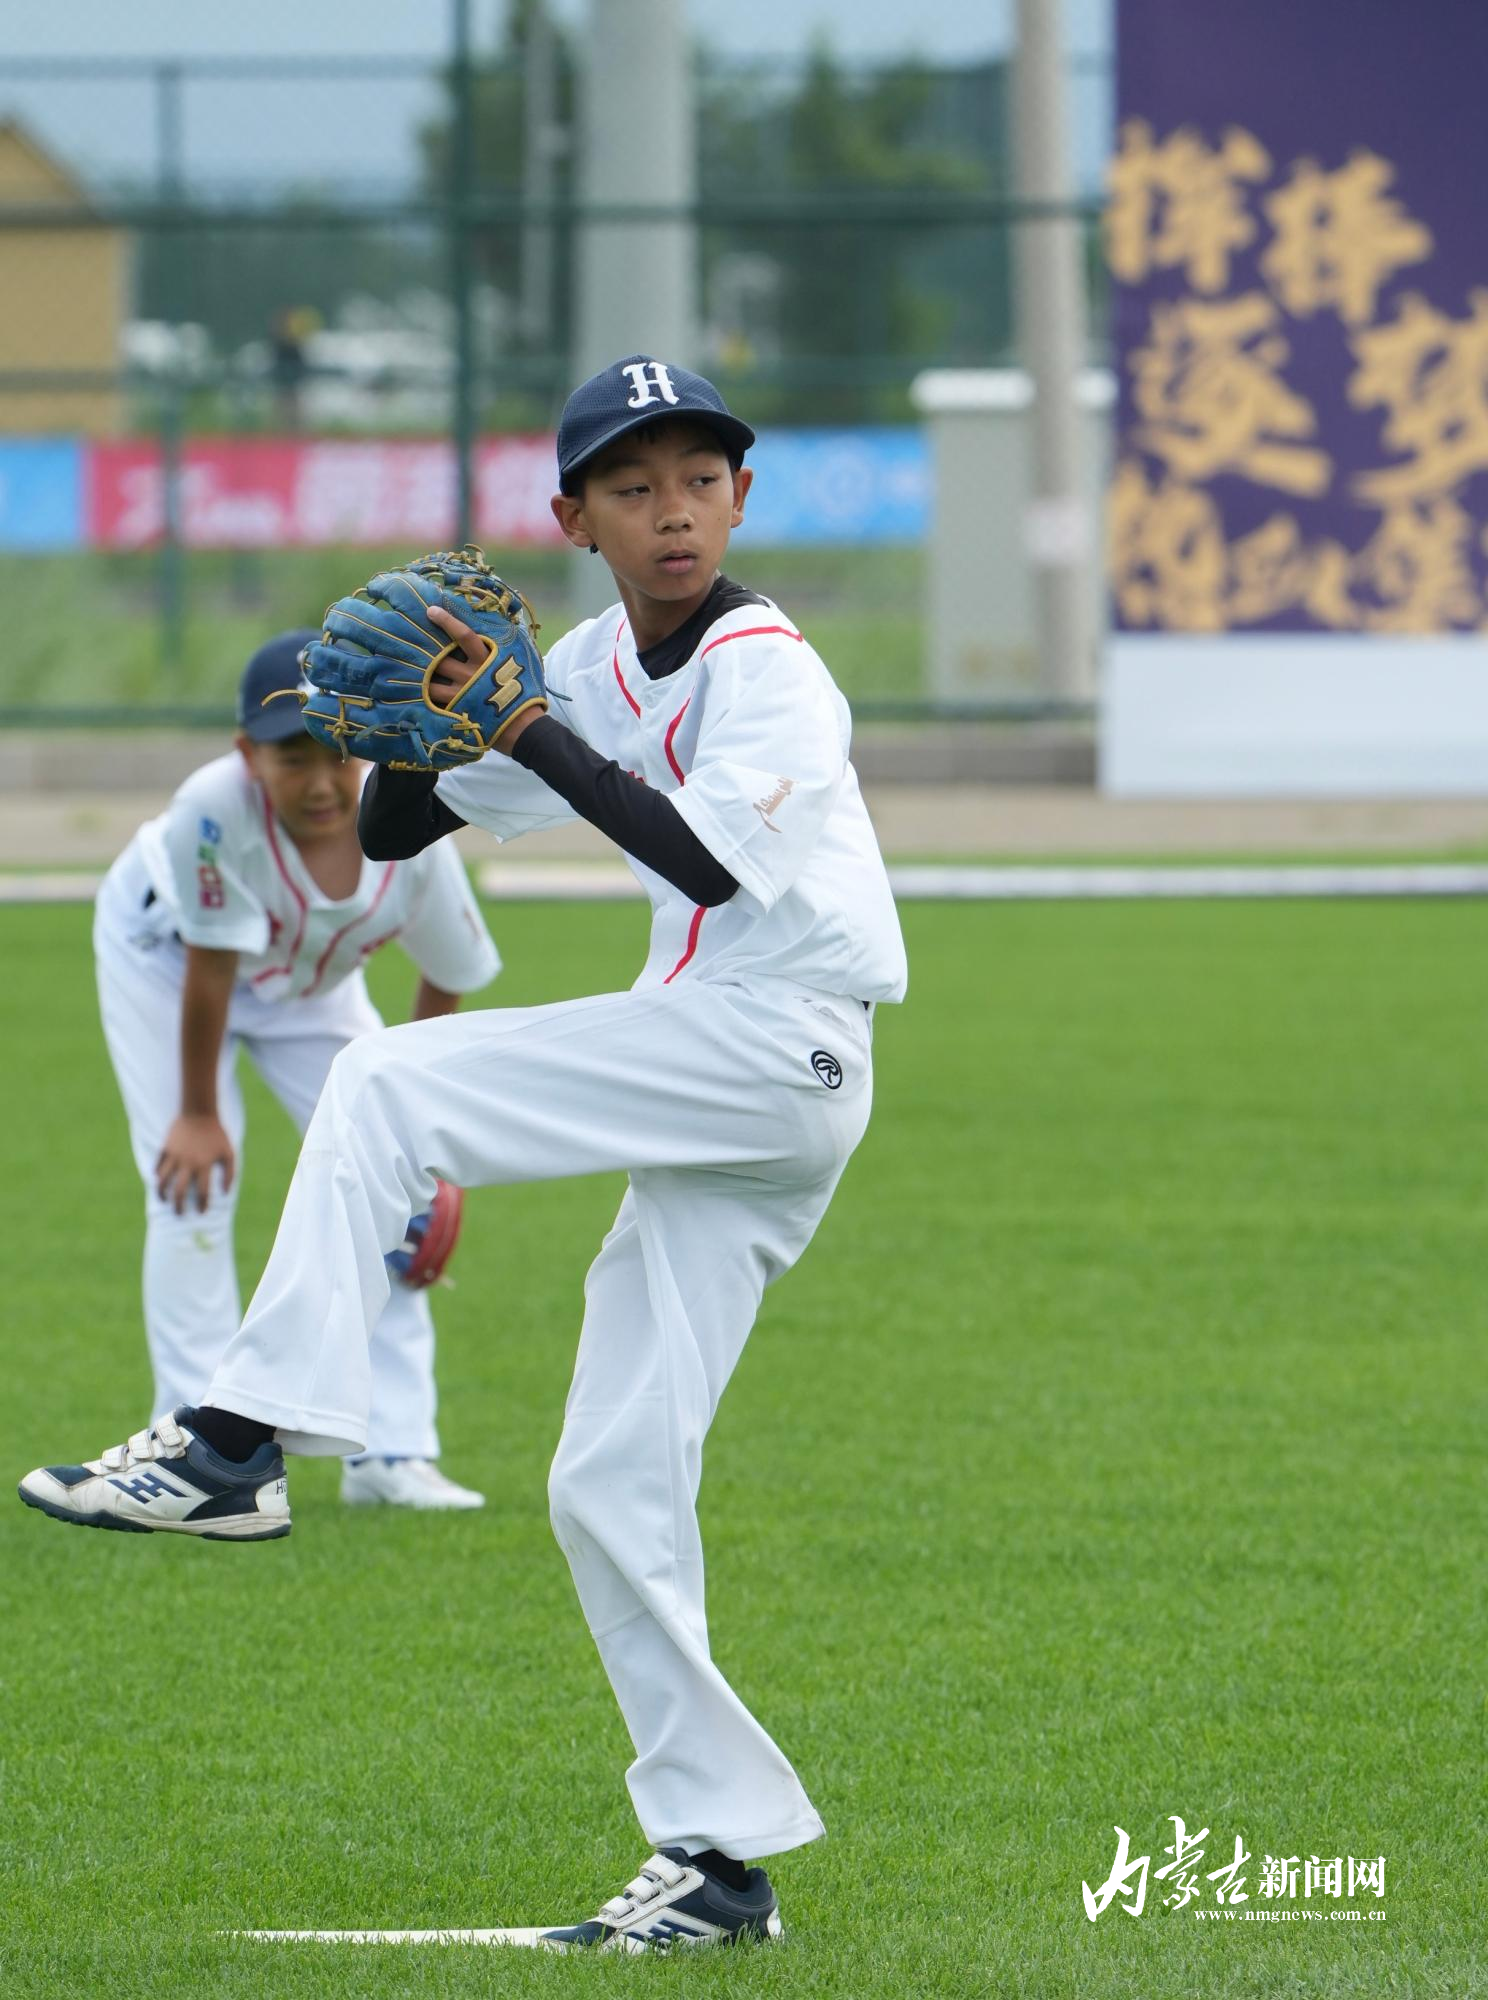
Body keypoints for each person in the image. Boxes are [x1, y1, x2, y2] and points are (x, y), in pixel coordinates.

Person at [21, 357, 908, 1951]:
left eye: (700, 477)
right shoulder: (583, 661)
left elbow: (705, 862)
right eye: (632, 486)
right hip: (724, 1070)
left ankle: (235, 1442)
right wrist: (425, 727)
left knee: (381, 1082)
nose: (673, 510)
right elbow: (399, 832)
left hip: (778, 1036)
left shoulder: (770, 671)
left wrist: (530, 729)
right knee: (605, 1480)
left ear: (742, 496)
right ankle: (717, 1861)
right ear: (572, 519)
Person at [86, 631, 499, 1508]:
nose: (318, 782)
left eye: (337, 752)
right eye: (290, 757)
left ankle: (389, 1456)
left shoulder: (414, 834)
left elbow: (448, 972)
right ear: (248, 756)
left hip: (310, 982)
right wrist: (198, 1115)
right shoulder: (212, 807)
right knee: (193, 1184)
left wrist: (417, 1133)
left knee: (392, 1189)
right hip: (164, 960)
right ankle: (190, 1445)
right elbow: (210, 969)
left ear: (369, 742)